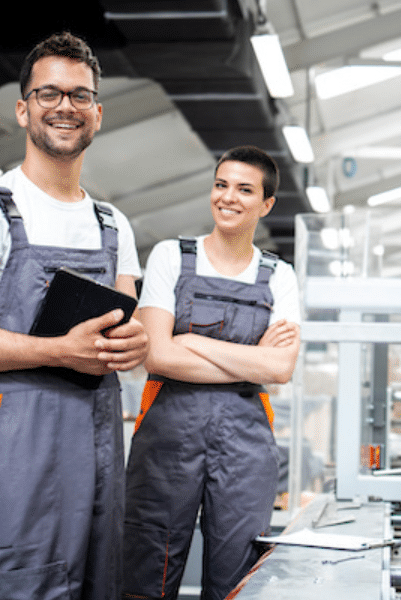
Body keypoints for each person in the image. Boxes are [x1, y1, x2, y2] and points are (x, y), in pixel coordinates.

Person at [0, 31, 148, 600]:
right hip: (14, 440)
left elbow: (126, 327)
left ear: (97, 113)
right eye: (48, 94)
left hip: (97, 441)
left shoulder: (112, 223)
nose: (65, 107)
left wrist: (135, 347)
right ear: (23, 109)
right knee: (19, 585)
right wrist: (54, 351)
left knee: (99, 584)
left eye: (79, 96)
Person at [121, 146, 301, 600]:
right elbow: (158, 357)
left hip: (244, 448)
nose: (228, 198)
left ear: (266, 204)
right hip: (166, 441)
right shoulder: (170, 256)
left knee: (236, 579)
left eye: (245, 189)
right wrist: (247, 362)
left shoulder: (280, 276)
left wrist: (194, 343)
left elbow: (280, 366)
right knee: (147, 572)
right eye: (221, 185)